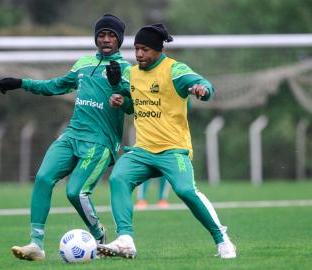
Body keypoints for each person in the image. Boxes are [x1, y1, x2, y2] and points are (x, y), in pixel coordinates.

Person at [0, 14, 133, 261]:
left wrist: (119, 87)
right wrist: (20, 82)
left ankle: (98, 236)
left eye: (111, 35)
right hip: (72, 135)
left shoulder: (126, 70)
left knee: (75, 192)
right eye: (102, 34)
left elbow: (134, 106)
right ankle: (36, 243)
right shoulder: (82, 64)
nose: (106, 39)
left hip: (100, 142)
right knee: (43, 178)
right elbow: (55, 85)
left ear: (120, 39)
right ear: (95, 37)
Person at [98, 23, 237, 259]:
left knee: (185, 190)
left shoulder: (175, 70)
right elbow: (135, 104)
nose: (139, 54)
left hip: (173, 150)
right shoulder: (132, 73)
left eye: (144, 49)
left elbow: (206, 84)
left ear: (158, 50)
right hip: (142, 150)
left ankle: (222, 239)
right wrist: (120, 97)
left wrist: (202, 89)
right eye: (136, 49)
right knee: (119, 178)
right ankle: (125, 240)